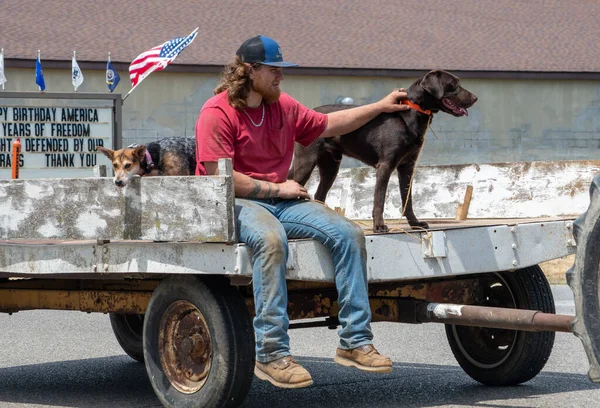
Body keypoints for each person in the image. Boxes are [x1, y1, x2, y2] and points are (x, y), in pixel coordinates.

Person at [195, 35, 410, 389]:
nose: (281, 76)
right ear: (250, 71)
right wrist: (278, 189)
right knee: (270, 239)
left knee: (348, 233)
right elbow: (222, 178)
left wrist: (380, 107)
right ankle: (271, 353)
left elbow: (330, 124)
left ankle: (355, 342)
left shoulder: (282, 106)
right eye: (274, 69)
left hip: (280, 200)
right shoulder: (216, 112)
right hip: (232, 201)